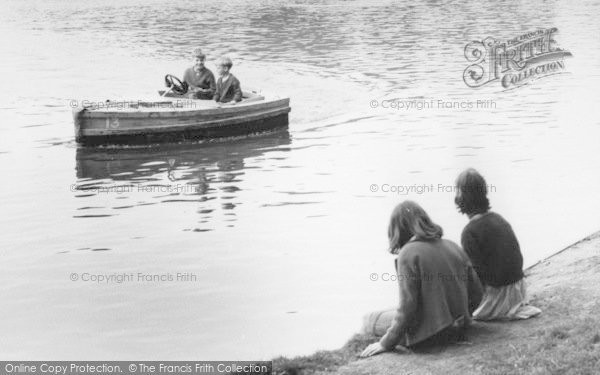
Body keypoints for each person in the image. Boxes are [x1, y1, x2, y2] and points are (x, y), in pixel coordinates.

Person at [360, 201, 483, 357]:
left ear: (397, 228)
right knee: (391, 310)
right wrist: (464, 316)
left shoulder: (408, 253)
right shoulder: (452, 246)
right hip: (460, 326)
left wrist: (386, 343)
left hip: (430, 336)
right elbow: (478, 293)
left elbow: (407, 308)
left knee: (369, 319)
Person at [455, 168, 541, 321]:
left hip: (499, 294)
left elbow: (476, 276)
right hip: (518, 288)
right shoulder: (498, 218)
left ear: (461, 197)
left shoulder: (469, 232)